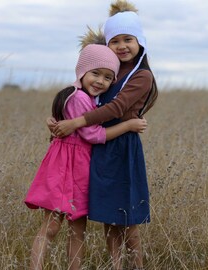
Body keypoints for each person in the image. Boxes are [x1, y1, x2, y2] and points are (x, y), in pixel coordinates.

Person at [49, 1, 158, 269]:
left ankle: (137, 265)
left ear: (140, 42)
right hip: (99, 146)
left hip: (123, 148)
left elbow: (117, 108)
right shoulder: (107, 71)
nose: (122, 46)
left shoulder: (142, 75)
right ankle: (116, 265)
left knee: (127, 217)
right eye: (115, 41)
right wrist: (59, 119)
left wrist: (76, 123)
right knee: (109, 217)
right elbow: (81, 98)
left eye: (128, 40)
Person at [24, 43, 148, 270]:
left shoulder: (86, 98)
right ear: (82, 71)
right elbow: (92, 135)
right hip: (65, 169)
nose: (101, 81)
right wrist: (128, 125)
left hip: (79, 169)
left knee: (76, 228)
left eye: (108, 77)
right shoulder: (79, 97)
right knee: (54, 227)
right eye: (95, 74)